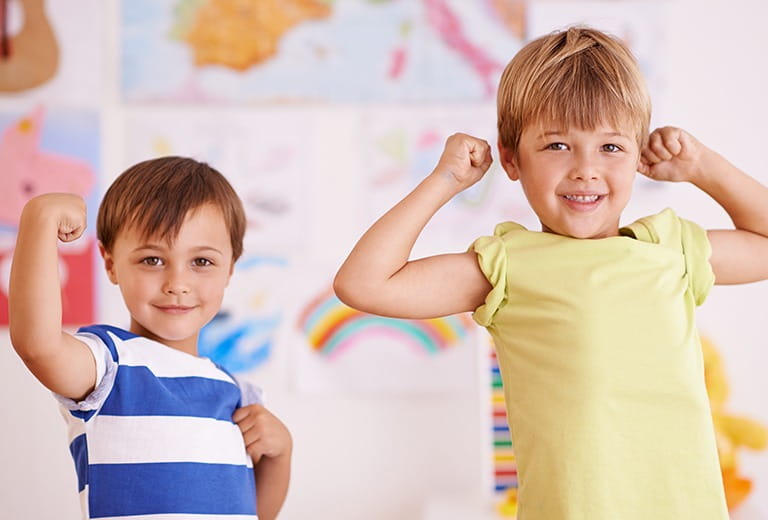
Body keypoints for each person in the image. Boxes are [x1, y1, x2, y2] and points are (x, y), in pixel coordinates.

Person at [334, 26, 768, 519]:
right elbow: (363, 284)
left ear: (637, 155)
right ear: (511, 157)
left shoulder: (669, 250)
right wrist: (445, 180)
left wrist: (704, 167)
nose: (586, 168)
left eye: (610, 147)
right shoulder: (507, 265)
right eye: (558, 145)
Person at [9, 157, 292, 520]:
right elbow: (38, 344)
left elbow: (257, 515)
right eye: (152, 260)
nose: (177, 283)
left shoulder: (236, 392)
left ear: (230, 269)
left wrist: (280, 457)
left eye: (202, 262)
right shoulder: (108, 365)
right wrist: (39, 218)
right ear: (111, 264)